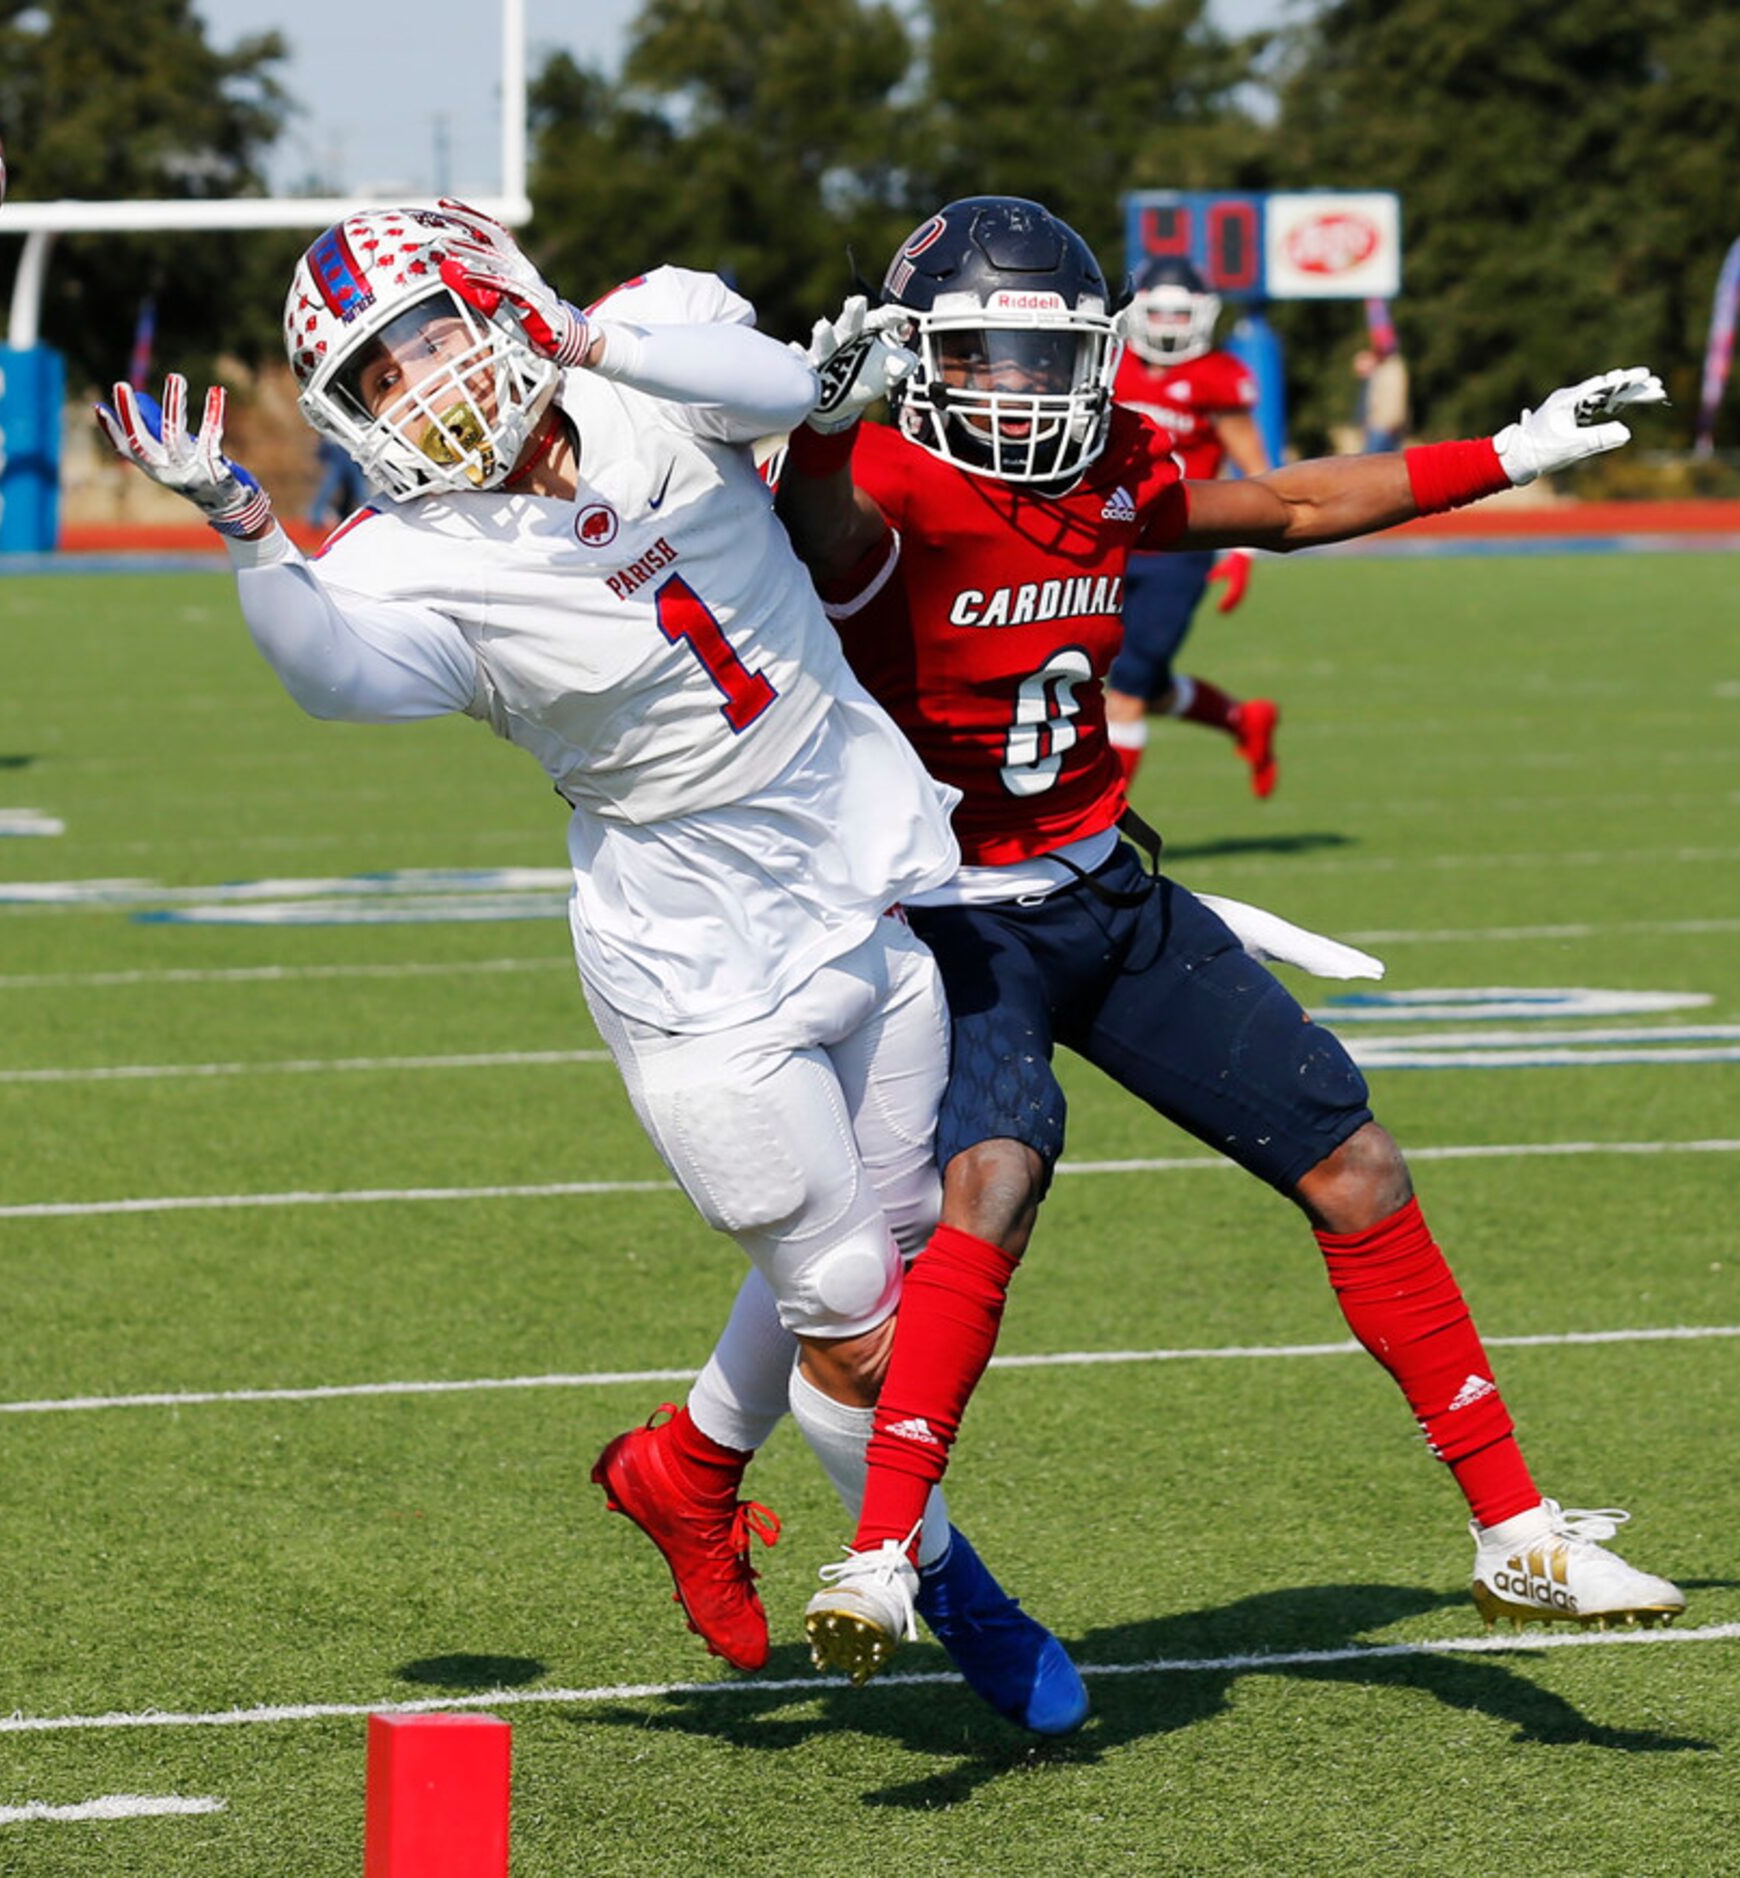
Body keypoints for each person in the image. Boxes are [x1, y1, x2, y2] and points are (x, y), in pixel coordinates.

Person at [96, 200, 1087, 1734]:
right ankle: (948, 1583)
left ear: (500, 296)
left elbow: (797, 391)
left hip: (858, 872)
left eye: (429, 333)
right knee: (851, 1311)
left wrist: (588, 344)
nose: (419, 385)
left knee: (874, 1253)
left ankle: (685, 1468)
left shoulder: (647, 342)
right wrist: (247, 528)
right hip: (697, 963)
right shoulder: (410, 558)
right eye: (377, 374)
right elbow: (330, 676)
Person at [733, 196, 1678, 1685]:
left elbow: (1292, 505)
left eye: (1045, 358)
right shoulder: (887, 477)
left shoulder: (1108, 462)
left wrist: (1502, 453)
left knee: (1355, 1162)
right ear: (916, 359)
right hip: (950, 913)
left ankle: (1516, 1529)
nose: (1018, 389)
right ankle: (878, 1550)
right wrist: (839, 432)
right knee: (989, 1188)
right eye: (980, 354)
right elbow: (822, 530)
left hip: (1107, 892)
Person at [1105, 256, 1279, 797]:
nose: (1169, 325)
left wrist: (1245, 553)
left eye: (1182, 313)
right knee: (1131, 681)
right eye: (1159, 312)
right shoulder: (1108, 364)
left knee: (1125, 694)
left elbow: (1259, 472)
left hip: (1178, 549)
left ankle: (1100, 827)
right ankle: (1240, 719)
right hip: (1109, 541)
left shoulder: (1218, 377)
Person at [307, 436, 368, 528]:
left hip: (351, 454)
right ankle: (316, 518)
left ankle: (370, 515)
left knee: (359, 489)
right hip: (338, 454)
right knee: (327, 488)